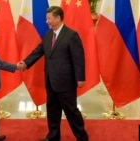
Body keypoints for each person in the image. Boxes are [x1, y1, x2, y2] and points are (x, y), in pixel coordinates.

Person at [19, 6, 89, 141]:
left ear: (57, 18)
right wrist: (26, 63)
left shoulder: (71, 35)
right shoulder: (48, 34)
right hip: (50, 81)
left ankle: (82, 137)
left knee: (71, 111)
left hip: (66, 82)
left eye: (49, 18)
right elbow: (38, 51)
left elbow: (78, 58)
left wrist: (80, 78)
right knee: (52, 111)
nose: (47, 21)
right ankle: (53, 136)